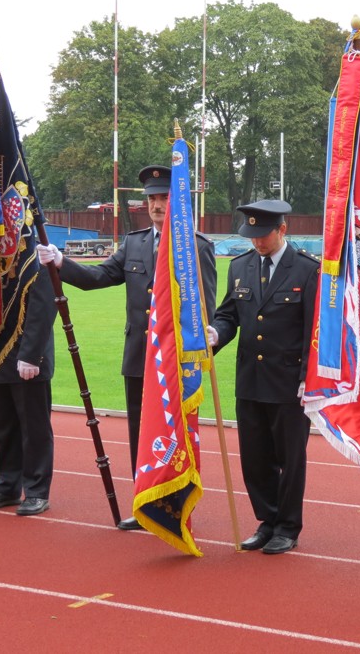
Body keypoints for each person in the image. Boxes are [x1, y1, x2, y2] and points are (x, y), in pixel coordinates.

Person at [37, 164, 216, 531]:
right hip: (138, 355)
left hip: (176, 362)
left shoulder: (195, 247)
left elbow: (206, 310)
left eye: (164, 197)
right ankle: (147, 501)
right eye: (152, 199)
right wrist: (60, 261)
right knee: (142, 429)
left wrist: (199, 353)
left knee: (176, 433)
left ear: (177, 201)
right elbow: (98, 277)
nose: (157, 204)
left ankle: (177, 505)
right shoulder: (134, 243)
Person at [206, 199, 318, 554]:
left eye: (264, 235)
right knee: (254, 458)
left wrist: (308, 377)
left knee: (290, 459)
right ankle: (267, 520)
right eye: (252, 235)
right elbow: (228, 315)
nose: (257, 242)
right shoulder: (239, 266)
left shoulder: (306, 270)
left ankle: (287, 526)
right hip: (251, 379)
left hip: (288, 383)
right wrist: (215, 335)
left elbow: (313, 330)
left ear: (282, 230)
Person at [0, 262, 58, 516]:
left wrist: (31, 354)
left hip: (27, 358)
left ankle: (35, 490)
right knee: (3, 427)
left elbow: (43, 307)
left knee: (34, 429)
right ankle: (7, 486)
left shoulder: (36, 258)